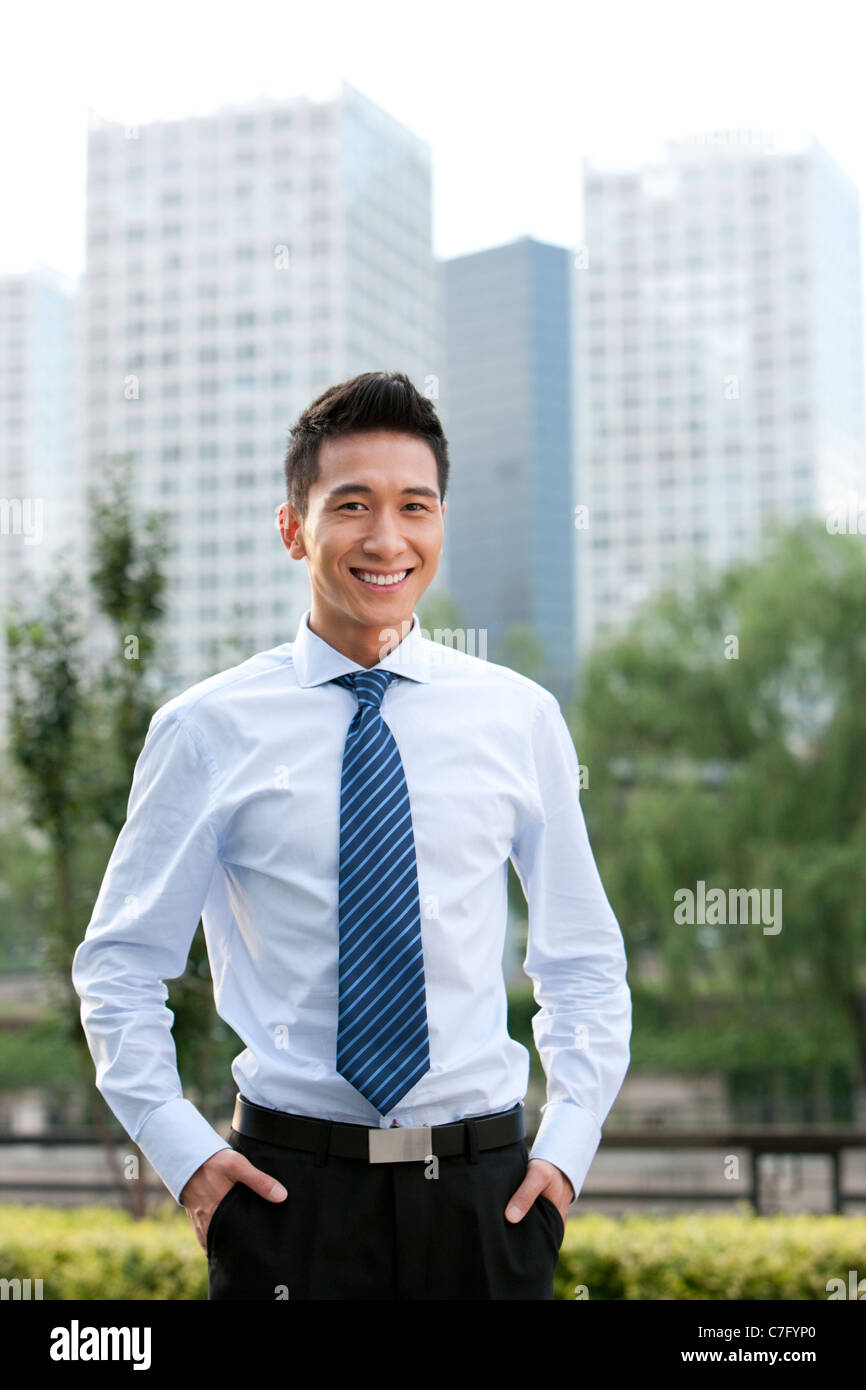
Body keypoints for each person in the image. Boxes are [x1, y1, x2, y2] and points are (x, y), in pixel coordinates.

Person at [72, 370, 631, 1300]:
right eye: (352, 505)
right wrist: (188, 1159)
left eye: (416, 506)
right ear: (293, 527)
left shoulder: (518, 717)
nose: (387, 538)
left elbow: (581, 959)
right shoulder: (206, 728)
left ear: (441, 524)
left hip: (487, 1202)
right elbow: (119, 967)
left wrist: (567, 1152)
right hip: (290, 1200)